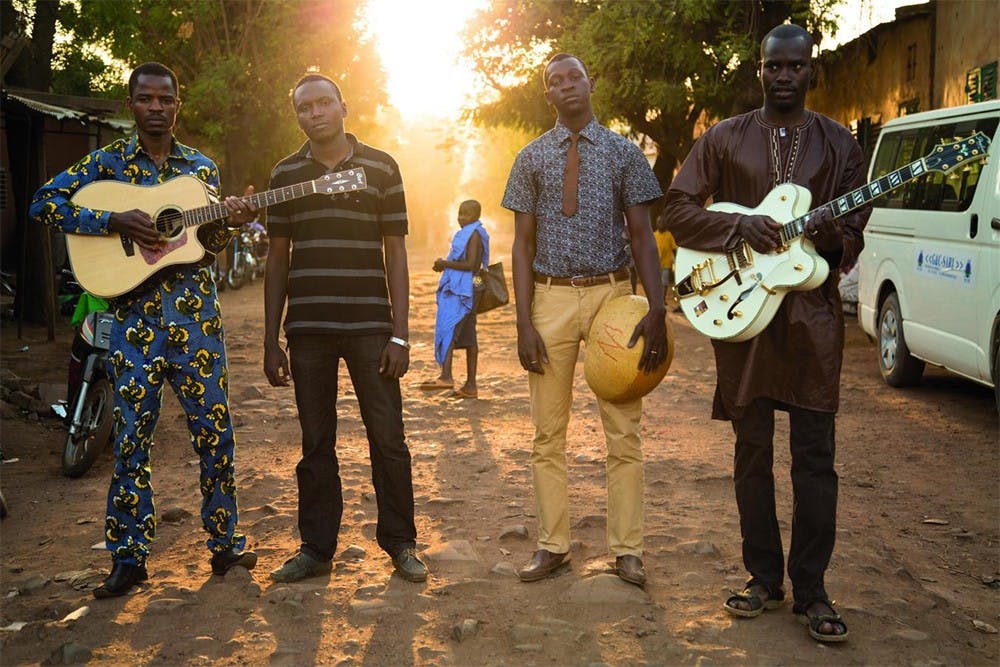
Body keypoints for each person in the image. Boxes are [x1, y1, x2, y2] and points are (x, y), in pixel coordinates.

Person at [662, 24, 871, 642]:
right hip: (743, 317)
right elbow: (677, 207)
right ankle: (762, 578)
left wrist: (834, 236)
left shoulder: (839, 144)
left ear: (812, 71)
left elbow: (856, 221)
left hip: (812, 322)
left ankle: (812, 590)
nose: (784, 75)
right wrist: (738, 229)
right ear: (760, 70)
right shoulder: (725, 138)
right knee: (751, 451)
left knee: (814, 457)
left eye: (795, 66)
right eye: (773, 66)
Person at [30, 61, 258, 598]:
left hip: (197, 322)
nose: (156, 108)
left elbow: (207, 246)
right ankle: (129, 559)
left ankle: (224, 544)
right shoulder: (105, 164)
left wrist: (231, 221)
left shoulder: (201, 170)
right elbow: (44, 202)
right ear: (131, 104)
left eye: (166, 99)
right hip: (133, 325)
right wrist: (111, 221)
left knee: (214, 435)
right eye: (146, 99)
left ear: (178, 105)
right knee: (132, 442)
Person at [501, 53, 668, 587]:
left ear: (591, 82)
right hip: (549, 301)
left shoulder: (624, 154)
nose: (567, 85)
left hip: (613, 301)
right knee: (547, 434)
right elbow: (521, 245)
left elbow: (642, 236)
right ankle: (553, 546)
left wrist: (658, 309)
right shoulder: (529, 158)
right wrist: (524, 322)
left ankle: (629, 551)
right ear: (547, 95)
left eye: (575, 76)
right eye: (555, 81)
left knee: (623, 431)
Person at [262, 73, 427, 584]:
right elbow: (277, 257)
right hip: (307, 328)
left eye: (323, 103)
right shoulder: (284, 174)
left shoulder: (382, 167)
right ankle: (316, 548)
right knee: (316, 442)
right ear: (297, 116)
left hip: (370, 327)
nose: (314, 113)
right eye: (304, 107)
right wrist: (271, 338)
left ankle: (401, 543)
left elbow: (395, 252)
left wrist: (400, 333)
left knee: (389, 438)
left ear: (343, 106)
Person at [419, 199, 489, 399]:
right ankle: (470, 386)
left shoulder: (474, 234)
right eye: (460, 213)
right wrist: (444, 265)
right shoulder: (468, 233)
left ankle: (446, 376)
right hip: (470, 287)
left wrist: (445, 263)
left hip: (468, 288)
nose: (461, 218)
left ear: (476, 216)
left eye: (466, 214)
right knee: (468, 335)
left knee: (450, 328)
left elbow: (471, 265)